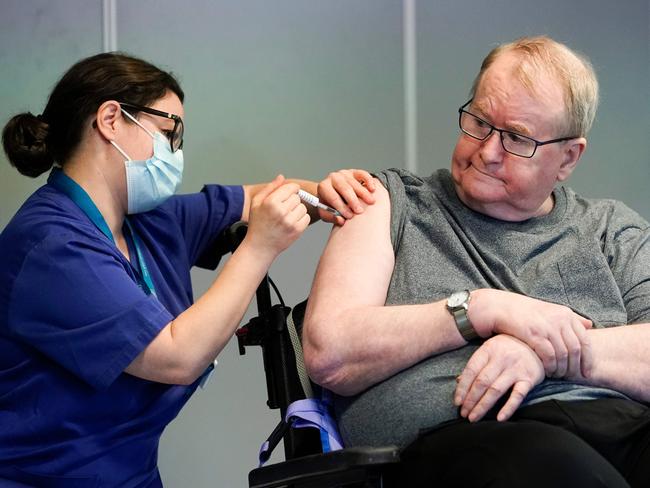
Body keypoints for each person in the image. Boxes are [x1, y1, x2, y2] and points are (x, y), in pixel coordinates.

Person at [0, 52, 376, 487]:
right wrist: (259, 247)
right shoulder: (50, 246)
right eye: (167, 132)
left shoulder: (148, 222)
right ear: (109, 120)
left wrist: (325, 191)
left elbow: (261, 197)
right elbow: (178, 356)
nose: (174, 153)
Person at [303, 36, 650, 487]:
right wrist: (478, 310)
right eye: (480, 123)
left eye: (517, 138)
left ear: (568, 157)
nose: (487, 151)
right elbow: (330, 352)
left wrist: (545, 356)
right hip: (466, 437)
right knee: (552, 467)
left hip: (617, 422)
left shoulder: (610, 229)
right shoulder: (387, 203)